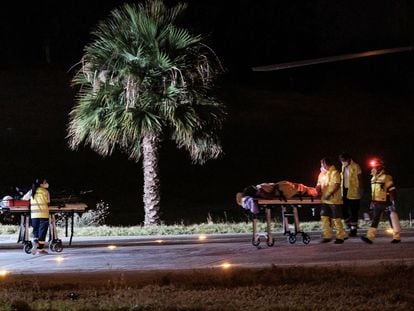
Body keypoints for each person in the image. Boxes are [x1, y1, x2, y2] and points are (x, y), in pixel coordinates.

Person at [361, 158, 401, 244]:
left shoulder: (386, 177)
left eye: (375, 167)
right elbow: (374, 192)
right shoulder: (373, 179)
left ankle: (397, 237)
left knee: (392, 220)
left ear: (379, 168)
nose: (373, 169)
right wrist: (372, 202)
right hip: (376, 203)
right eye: (373, 167)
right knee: (374, 220)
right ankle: (369, 237)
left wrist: (393, 202)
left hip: (386, 203)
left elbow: (392, 190)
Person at [316, 157, 347, 244]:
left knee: (336, 219)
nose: (321, 166)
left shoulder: (335, 173)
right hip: (325, 200)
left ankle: (340, 237)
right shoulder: (322, 174)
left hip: (334, 200)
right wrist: (317, 189)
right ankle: (327, 236)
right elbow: (318, 184)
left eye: (322, 164)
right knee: (324, 217)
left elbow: (337, 185)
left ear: (325, 164)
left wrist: (329, 194)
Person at [339, 152, 363, 237]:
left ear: (349, 159)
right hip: (344, 191)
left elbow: (360, 178)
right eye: (341, 161)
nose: (343, 162)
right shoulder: (343, 166)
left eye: (344, 160)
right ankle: (349, 224)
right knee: (343, 210)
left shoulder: (356, 166)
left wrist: (360, 189)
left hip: (354, 191)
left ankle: (353, 230)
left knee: (354, 211)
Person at [29, 178, 51, 254]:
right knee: (42, 232)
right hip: (43, 214)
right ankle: (40, 249)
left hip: (34, 215)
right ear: (41, 184)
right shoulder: (46, 191)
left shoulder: (32, 191)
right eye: (45, 182)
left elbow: (24, 199)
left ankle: (35, 242)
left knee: (35, 230)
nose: (46, 183)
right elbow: (48, 202)